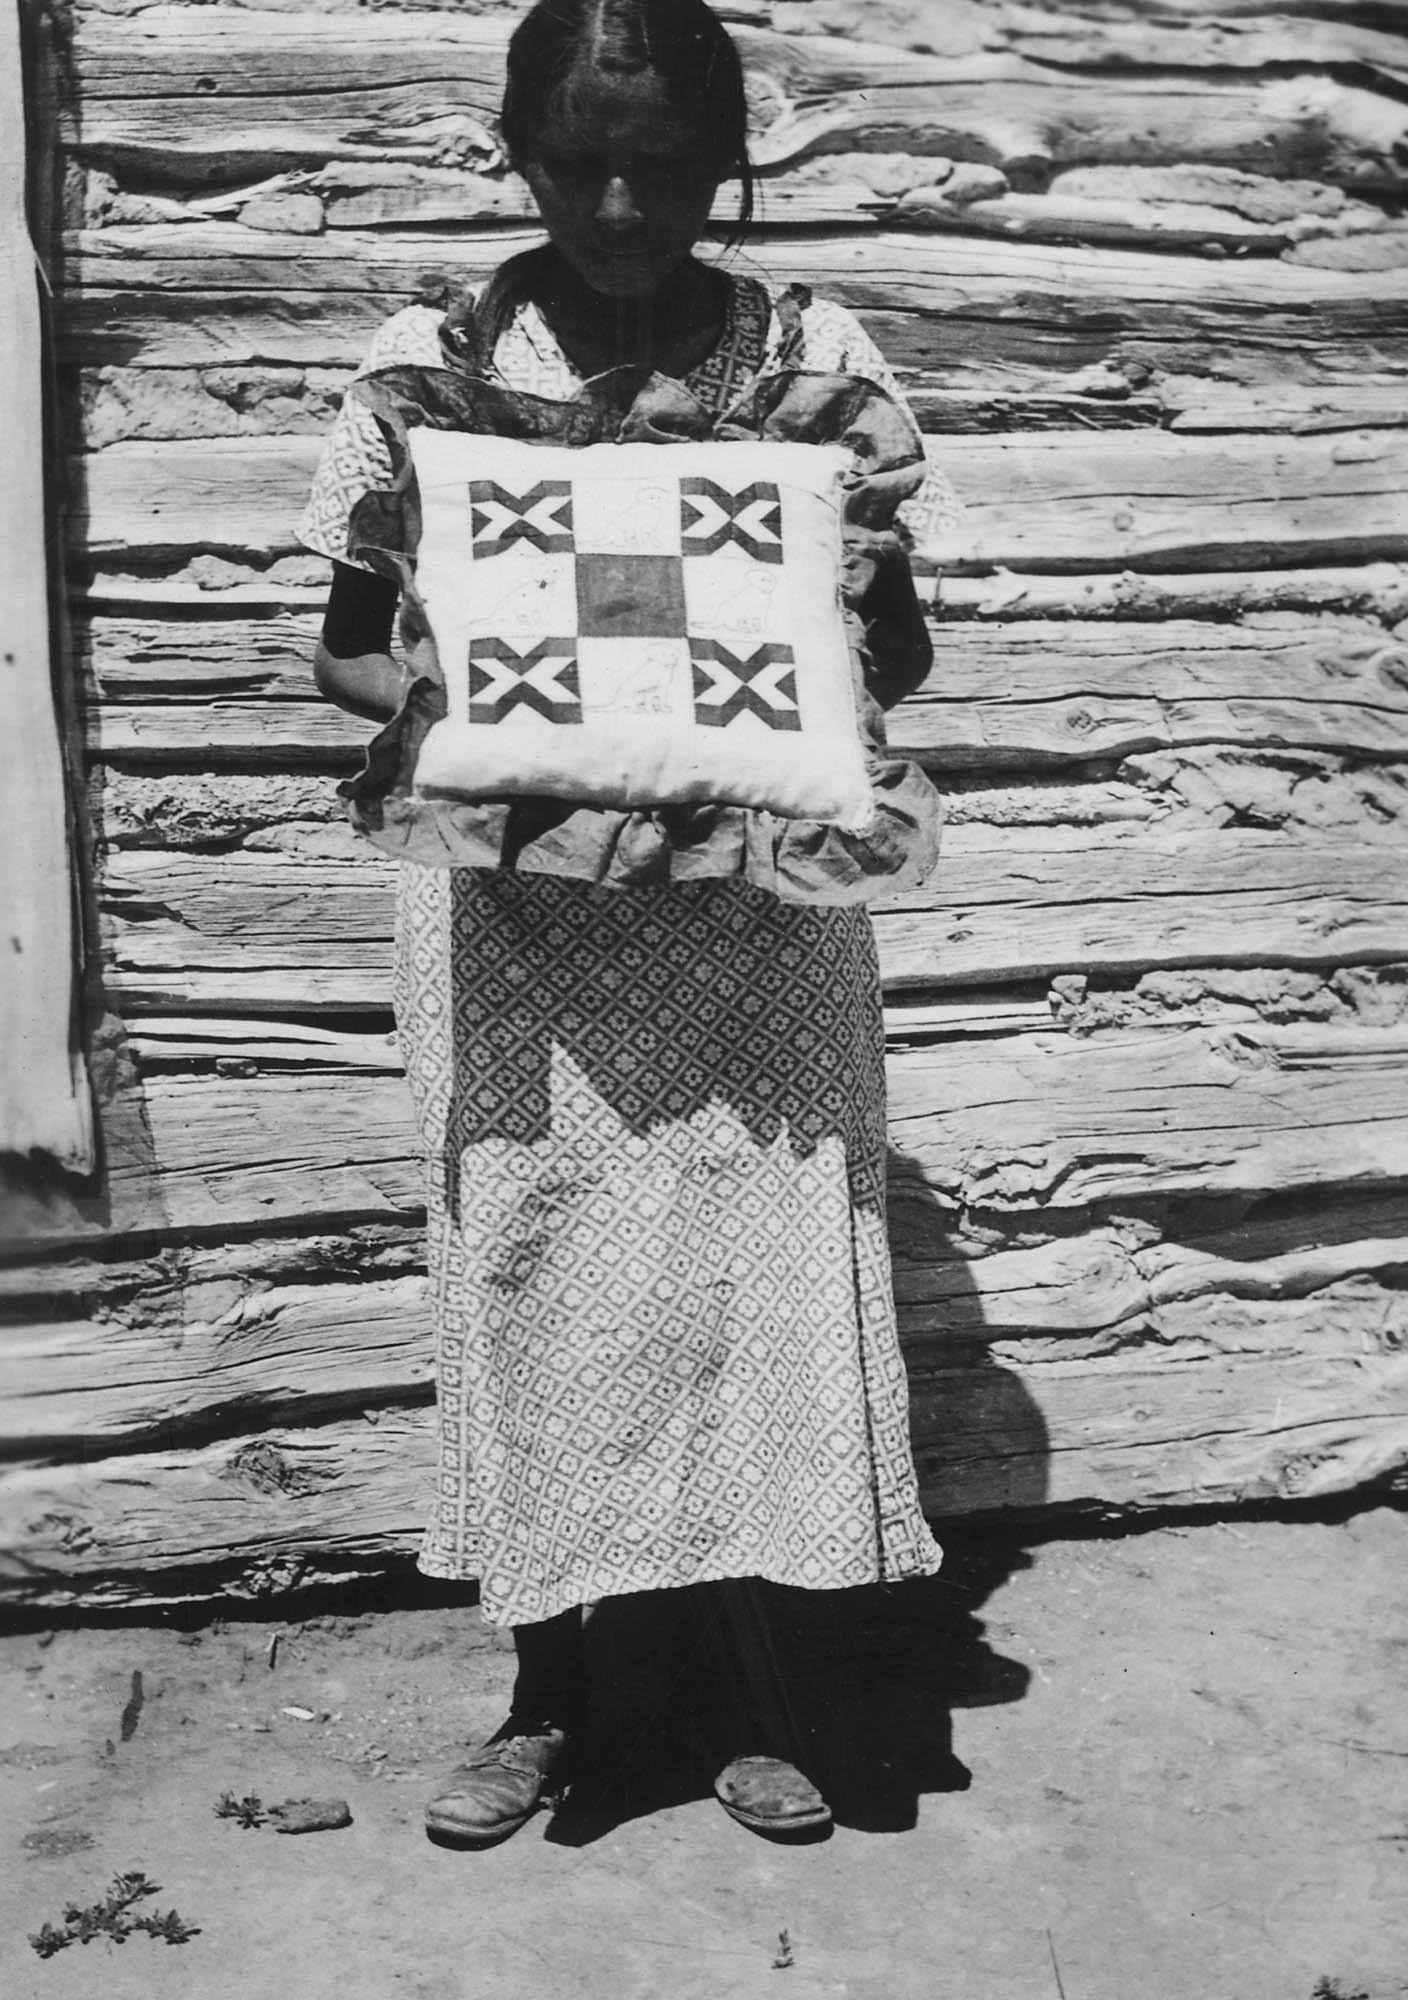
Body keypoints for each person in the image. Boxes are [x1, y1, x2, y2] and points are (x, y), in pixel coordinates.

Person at [299, 0, 964, 1847]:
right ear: (517, 154)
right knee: (539, 1258)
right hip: (527, 921)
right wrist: (524, 715)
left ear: (726, 163)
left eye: (662, 167)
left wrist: (805, 651)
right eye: (579, 162)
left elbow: (898, 652)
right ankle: (555, 1696)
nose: (616, 205)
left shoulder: (815, 361)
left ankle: (751, 1687)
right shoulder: (432, 368)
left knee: (754, 1262)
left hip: (756, 920)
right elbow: (345, 651)